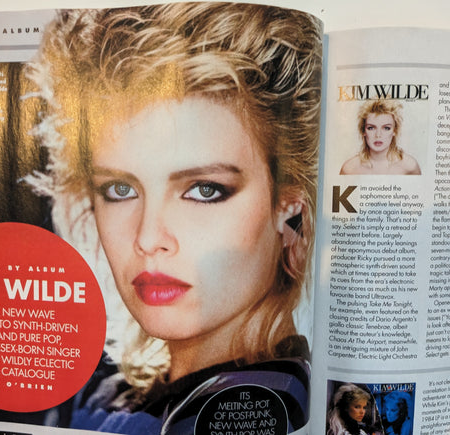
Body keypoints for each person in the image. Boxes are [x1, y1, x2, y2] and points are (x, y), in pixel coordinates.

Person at [26, 3, 321, 434]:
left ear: (289, 210)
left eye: (204, 190)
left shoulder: (271, 408)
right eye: (120, 189)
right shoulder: (101, 391)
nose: (148, 238)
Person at [340, 100, 421, 175]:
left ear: (394, 131)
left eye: (386, 128)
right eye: (371, 128)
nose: (378, 135)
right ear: (363, 131)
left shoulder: (410, 166)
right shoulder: (349, 169)